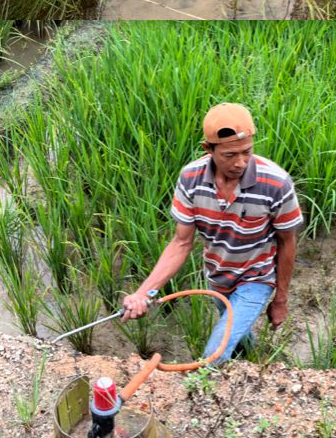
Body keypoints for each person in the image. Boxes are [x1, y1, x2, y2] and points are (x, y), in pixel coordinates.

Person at [121, 104, 302, 363]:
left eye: (247, 152)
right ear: (209, 149)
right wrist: (143, 293)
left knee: (213, 354)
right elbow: (181, 243)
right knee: (234, 334)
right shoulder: (191, 179)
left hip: (256, 278)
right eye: (230, 155)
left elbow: (288, 242)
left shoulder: (276, 183)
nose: (240, 163)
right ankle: (252, 362)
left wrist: (281, 299)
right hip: (218, 278)